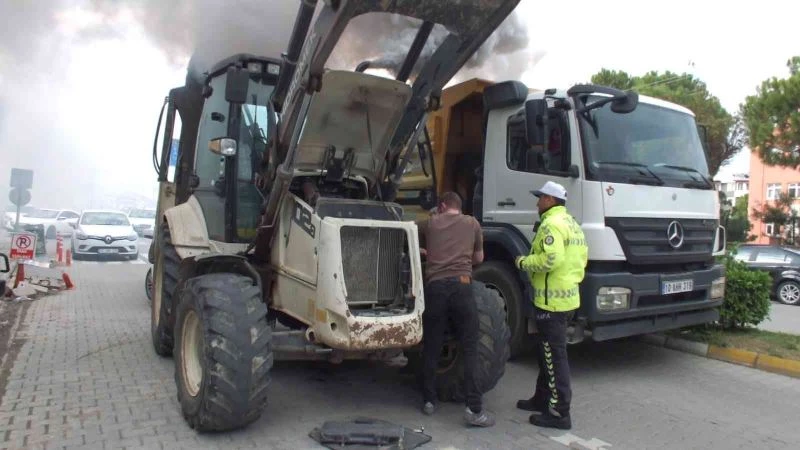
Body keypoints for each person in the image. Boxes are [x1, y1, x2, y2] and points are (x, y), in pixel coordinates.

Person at [514, 181, 588, 430]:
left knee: (555, 357)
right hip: (566, 299)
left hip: (552, 303)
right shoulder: (571, 224)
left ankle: (559, 413)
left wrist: (524, 262)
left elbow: (550, 259)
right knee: (545, 352)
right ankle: (541, 399)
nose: (537, 202)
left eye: (540, 198)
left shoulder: (551, 224)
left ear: (550, 200)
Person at [416, 191, 494, 427]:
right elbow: (479, 258)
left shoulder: (430, 223)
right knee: (470, 348)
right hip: (462, 285)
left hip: (435, 287)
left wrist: (424, 252)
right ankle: (474, 410)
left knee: (431, 344)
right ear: (459, 207)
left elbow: (408, 233)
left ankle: (429, 401)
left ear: (441, 206)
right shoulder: (472, 223)